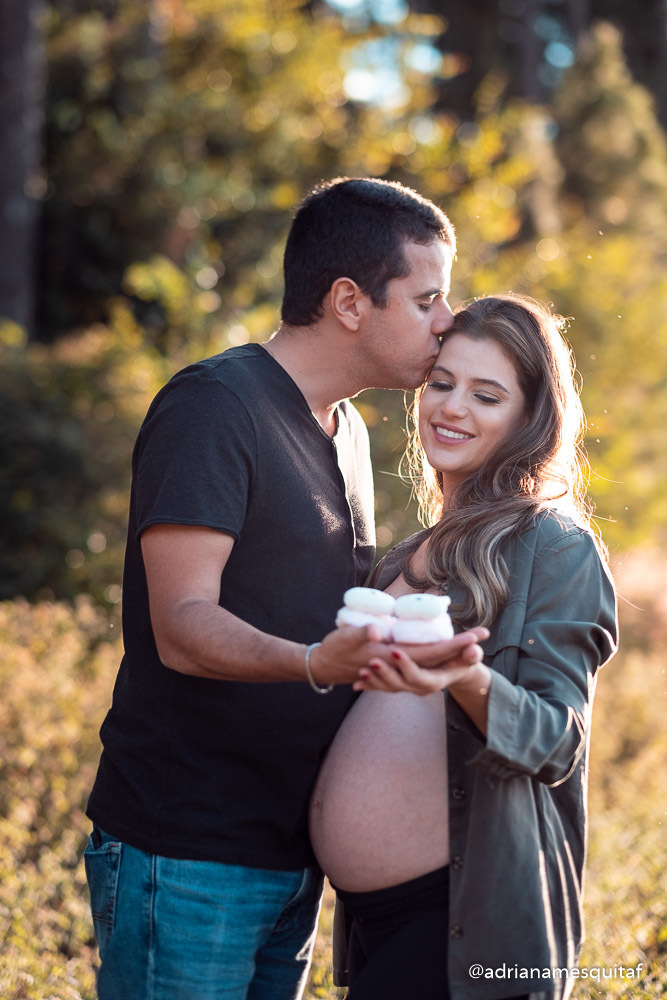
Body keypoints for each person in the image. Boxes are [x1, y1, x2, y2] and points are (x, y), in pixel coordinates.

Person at [83, 177, 489, 1000]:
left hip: (291, 859)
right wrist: (316, 661)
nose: (447, 322)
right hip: (189, 852)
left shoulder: (346, 431)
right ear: (348, 301)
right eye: (426, 299)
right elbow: (183, 623)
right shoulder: (214, 407)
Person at [309, 294, 618, 1000]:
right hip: (371, 925)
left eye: (486, 394)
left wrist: (468, 679)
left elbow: (554, 743)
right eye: (442, 383)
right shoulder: (407, 553)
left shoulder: (550, 544)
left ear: (527, 418)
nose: (451, 408)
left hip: (459, 930)